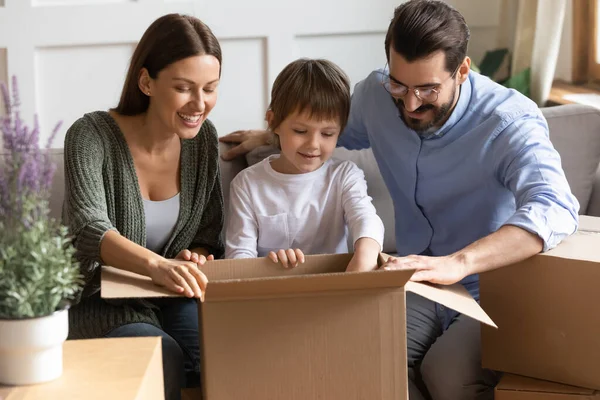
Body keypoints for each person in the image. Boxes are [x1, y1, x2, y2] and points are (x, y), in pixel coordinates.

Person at [218, 1, 580, 398]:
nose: (409, 104)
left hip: (487, 288)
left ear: (462, 71)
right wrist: (270, 136)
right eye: (399, 84)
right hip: (412, 279)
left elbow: (554, 206)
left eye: (427, 89)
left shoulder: (509, 121)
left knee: (446, 375)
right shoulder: (376, 95)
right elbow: (324, 130)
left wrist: (457, 263)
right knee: (361, 357)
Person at [62, 14, 224, 400]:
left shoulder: (204, 143)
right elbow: (89, 229)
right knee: (159, 355)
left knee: (219, 350)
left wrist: (194, 258)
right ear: (147, 81)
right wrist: (158, 265)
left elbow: (207, 235)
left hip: (176, 299)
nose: (199, 104)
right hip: (103, 302)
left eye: (210, 89)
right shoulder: (90, 136)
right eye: (184, 88)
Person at [225, 58, 384, 271]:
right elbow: (238, 257)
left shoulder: (345, 176)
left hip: (334, 292)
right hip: (271, 295)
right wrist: (270, 265)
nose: (313, 145)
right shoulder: (248, 184)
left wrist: (364, 258)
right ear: (273, 122)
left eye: (328, 133)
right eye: (300, 131)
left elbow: (366, 218)